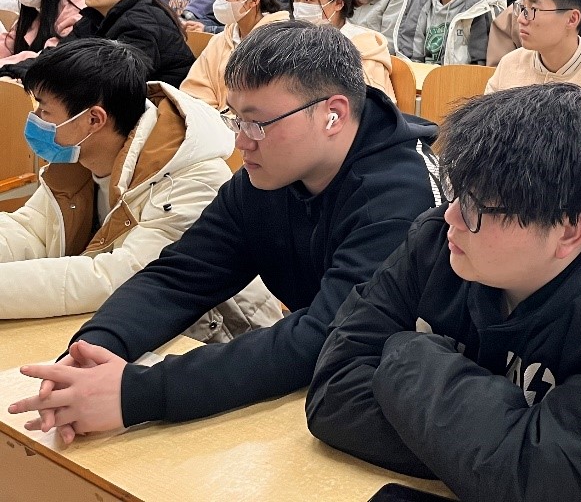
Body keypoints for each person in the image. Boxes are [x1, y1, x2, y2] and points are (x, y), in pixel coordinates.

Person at [10, 22, 439, 442]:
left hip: (401, 405)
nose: (241, 142)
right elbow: (182, 275)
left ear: (333, 115)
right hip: (316, 390)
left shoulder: (401, 197)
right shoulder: (269, 175)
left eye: (257, 123)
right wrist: (93, 350)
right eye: (235, 119)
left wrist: (134, 393)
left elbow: (328, 332)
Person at [305, 83, 581, 497]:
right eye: (456, 192)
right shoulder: (442, 242)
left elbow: (533, 483)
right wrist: (486, 457)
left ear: (568, 229)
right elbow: (333, 393)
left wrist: (406, 353)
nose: (450, 215)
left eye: (475, 206)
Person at [0, 37, 277, 328]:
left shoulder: (193, 177)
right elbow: (32, 229)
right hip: (127, 325)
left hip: (214, 336)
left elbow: (119, 276)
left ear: (94, 119)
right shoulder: (78, 159)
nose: (35, 120)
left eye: (44, 111)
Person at [71, 0, 196, 85]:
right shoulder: (95, 15)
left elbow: (121, 78)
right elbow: (64, 53)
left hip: (163, 95)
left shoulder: (140, 23)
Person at [180, 0, 290, 110]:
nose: (219, 2)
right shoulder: (220, 40)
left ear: (253, 1)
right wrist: (209, 115)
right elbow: (196, 87)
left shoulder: (280, 40)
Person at [285, 0, 394, 98]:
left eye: (308, 0)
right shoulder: (293, 40)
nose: (300, 6)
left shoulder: (363, 47)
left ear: (338, 3)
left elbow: (372, 102)